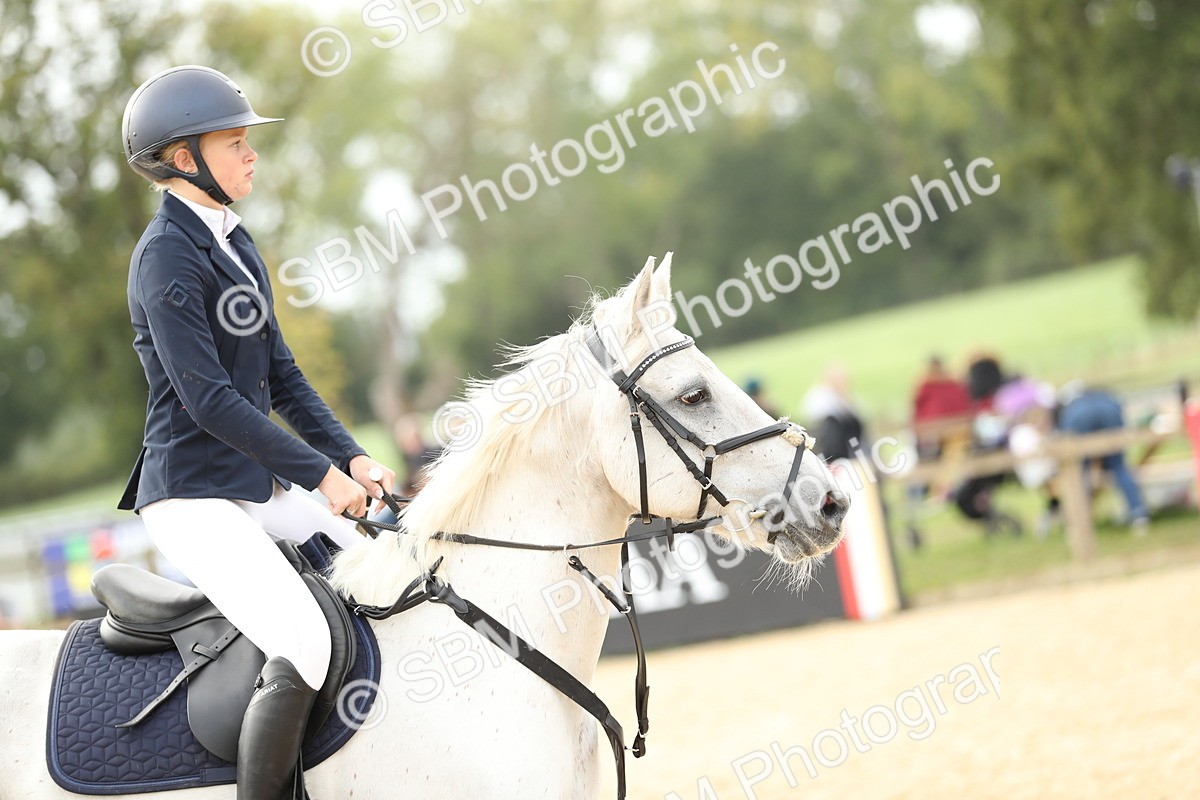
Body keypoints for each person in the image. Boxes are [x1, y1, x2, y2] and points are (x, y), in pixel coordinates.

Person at [118, 65, 396, 799]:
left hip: (250, 482)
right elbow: (209, 402)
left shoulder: (236, 242)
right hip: (191, 497)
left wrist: (353, 457)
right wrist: (319, 476)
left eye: (248, 143)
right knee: (302, 642)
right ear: (184, 160)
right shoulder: (165, 257)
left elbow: (285, 379)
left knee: (390, 571)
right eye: (235, 143)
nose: (252, 155)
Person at [802, 364, 864, 463]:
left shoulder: (848, 397)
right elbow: (816, 419)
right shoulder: (818, 397)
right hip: (828, 448)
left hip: (850, 446)